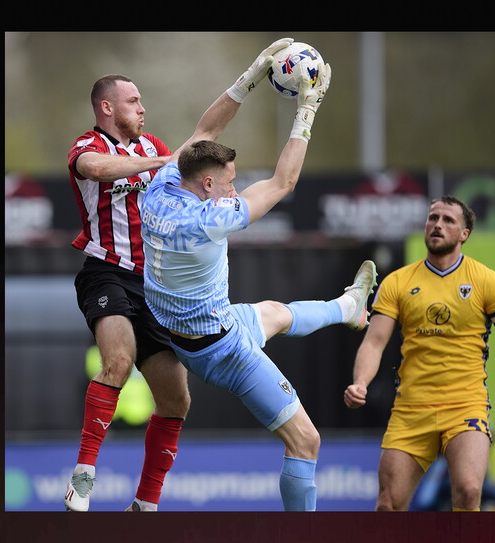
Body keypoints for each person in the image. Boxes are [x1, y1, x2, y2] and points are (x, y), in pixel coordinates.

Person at [139, 39, 377, 511]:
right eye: (228, 181)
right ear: (208, 185)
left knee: (275, 313)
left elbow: (205, 129)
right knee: (306, 443)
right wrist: (308, 107)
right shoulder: (210, 218)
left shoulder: (162, 184)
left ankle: (349, 308)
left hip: (190, 328)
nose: (234, 187)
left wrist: (250, 78)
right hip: (222, 350)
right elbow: (283, 183)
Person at [343, 195, 495, 512]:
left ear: (464, 234)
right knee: (388, 504)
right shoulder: (398, 282)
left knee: (470, 491)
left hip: (465, 404)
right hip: (411, 408)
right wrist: (360, 382)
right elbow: (374, 342)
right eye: (433, 218)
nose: (437, 225)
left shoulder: (486, 281)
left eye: (447, 220)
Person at [62, 72, 187, 512]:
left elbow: (192, 155)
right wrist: (157, 164)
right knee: (117, 360)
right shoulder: (86, 147)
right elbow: (96, 170)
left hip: (153, 284)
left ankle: (145, 504)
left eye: (142, 100)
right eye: (133, 101)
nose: (142, 108)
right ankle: (83, 476)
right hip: (105, 271)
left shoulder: (152, 145)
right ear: (107, 108)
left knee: (177, 399)